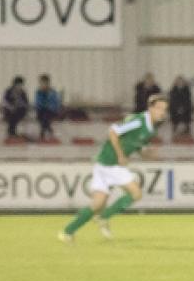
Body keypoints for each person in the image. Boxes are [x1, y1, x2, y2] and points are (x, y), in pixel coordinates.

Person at [57, 94, 169, 242]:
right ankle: (104, 217)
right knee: (136, 193)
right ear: (150, 108)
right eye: (159, 108)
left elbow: (137, 147)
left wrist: (148, 155)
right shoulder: (137, 120)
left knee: (97, 204)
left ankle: (67, 232)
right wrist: (121, 155)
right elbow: (113, 131)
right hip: (111, 163)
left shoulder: (151, 129)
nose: (162, 112)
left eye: (165, 109)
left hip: (105, 164)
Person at [34, 74, 62, 141]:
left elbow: (56, 103)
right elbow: (37, 103)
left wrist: (50, 106)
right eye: (42, 83)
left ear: (48, 83)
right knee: (43, 116)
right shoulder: (38, 92)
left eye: (45, 83)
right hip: (41, 111)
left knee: (45, 117)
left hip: (51, 111)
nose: (43, 84)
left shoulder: (52, 92)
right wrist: (42, 106)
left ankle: (43, 133)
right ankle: (49, 132)